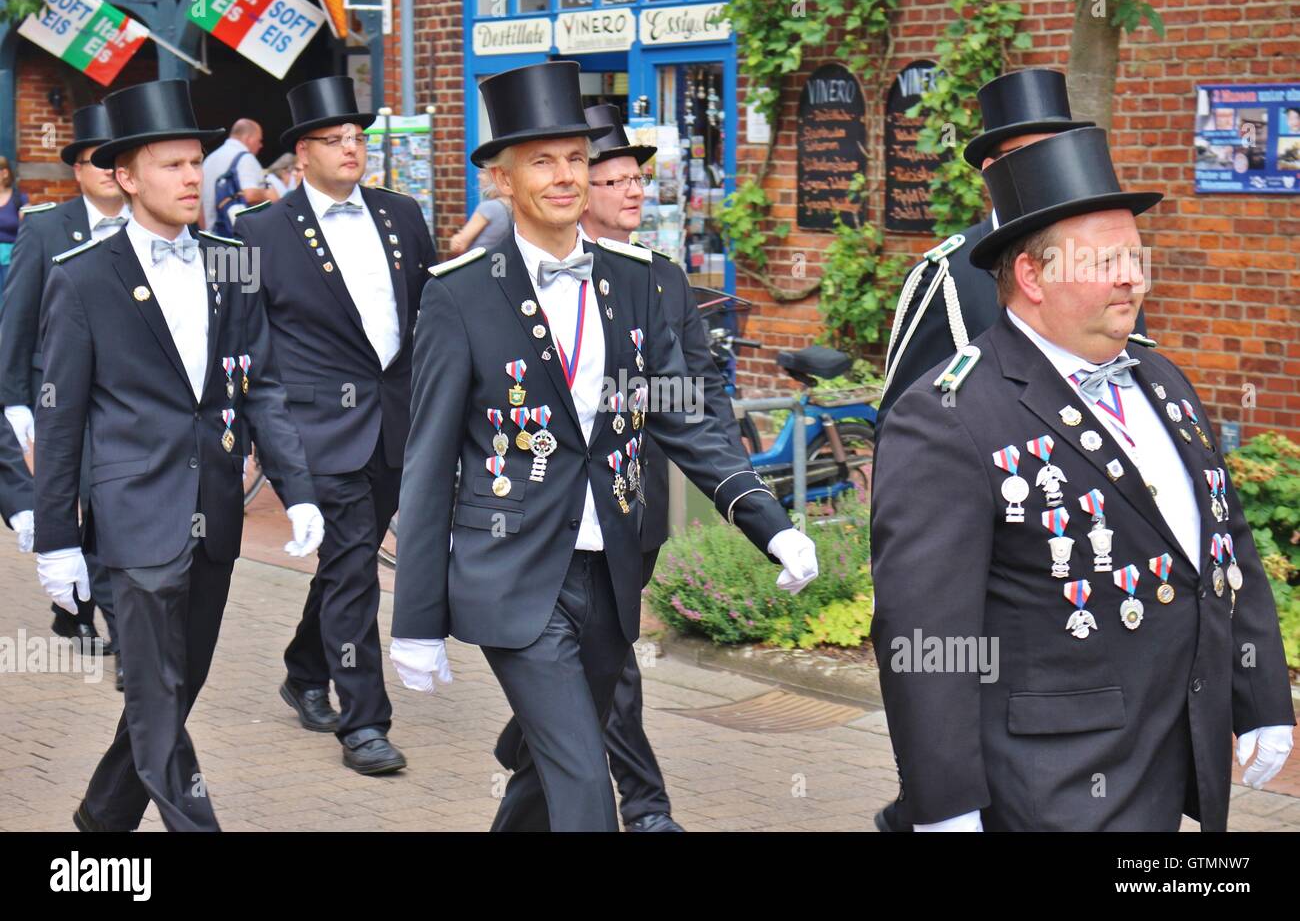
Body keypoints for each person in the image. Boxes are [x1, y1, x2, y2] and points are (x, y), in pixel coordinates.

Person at [388, 61, 819, 832]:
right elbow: (429, 462)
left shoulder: (638, 282)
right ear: (503, 177)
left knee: (540, 779)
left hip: (610, 569)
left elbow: (684, 416)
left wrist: (770, 521)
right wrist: (416, 617)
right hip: (513, 569)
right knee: (586, 791)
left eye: (576, 159)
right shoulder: (458, 293)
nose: (565, 176)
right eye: (543, 161)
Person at [869, 125, 1295, 831]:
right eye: (1106, 260)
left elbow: (1226, 545)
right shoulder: (949, 415)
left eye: (1136, 254)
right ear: (1033, 276)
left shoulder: (1163, 380)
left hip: (1170, 753)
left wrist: (1261, 693)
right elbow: (923, 632)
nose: (1133, 276)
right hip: (1049, 781)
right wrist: (943, 804)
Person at [33, 78, 324, 832]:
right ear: (125, 177)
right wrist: (58, 542)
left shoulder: (233, 261)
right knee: (156, 693)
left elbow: (262, 386)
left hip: (216, 511)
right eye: (170, 165)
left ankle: (102, 820)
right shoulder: (84, 277)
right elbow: (59, 419)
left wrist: (298, 490)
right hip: (134, 519)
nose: (192, 177)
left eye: (196, 162)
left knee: (177, 685)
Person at [492, 104, 734, 832]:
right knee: (608, 660)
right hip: (548, 507)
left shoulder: (659, 277)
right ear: (579, 191)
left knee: (604, 654)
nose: (634, 192)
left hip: (637, 499)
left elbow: (699, 386)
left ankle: (533, 738)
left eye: (638, 179)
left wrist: (729, 474)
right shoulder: (515, 277)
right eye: (616, 180)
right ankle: (645, 802)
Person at [236, 76, 435, 775]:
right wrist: (267, 442)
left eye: (358, 136)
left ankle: (302, 666)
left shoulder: (403, 214)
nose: (352, 148)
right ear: (300, 154)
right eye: (336, 139)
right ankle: (364, 723)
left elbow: (430, 320)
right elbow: (249, 349)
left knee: (345, 563)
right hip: (320, 428)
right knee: (354, 570)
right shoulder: (256, 231)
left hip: (397, 420)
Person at [878, 69, 1146, 433]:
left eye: (1058, 146)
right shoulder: (950, 276)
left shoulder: (1111, 265)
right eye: (1031, 153)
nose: (1050, 162)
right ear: (992, 168)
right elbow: (905, 422)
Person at [0, 104, 130, 683]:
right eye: (92, 159)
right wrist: (14, 400)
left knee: (110, 506)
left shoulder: (149, 224)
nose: (105, 168)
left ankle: (87, 614)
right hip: (61, 394)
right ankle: (105, 626)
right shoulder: (46, 228)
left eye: (114, 157)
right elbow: (17, 319)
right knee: (83, 503)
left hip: (127, 396)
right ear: (77, 169)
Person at [200, 117, 277, 232]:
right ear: (248, 139)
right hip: (238, 239)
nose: (261, 145)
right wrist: (269, 195)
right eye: (259, 140)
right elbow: (249, 195)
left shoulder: (209, 159)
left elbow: (199, 206)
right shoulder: (245, 157)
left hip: (212, 237)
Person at [448, 170, 512, 255]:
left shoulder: (489, 207)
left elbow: (459, 245)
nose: (478, 176)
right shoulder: (513, 206)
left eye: (483, 172)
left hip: (480, 264)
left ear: (495, 176)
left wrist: (456, 239)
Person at [0, 155, 28, 295]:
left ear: (4, 173)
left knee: (10, 298)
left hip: (11, 259)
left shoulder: (19, 199)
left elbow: (29, 229)